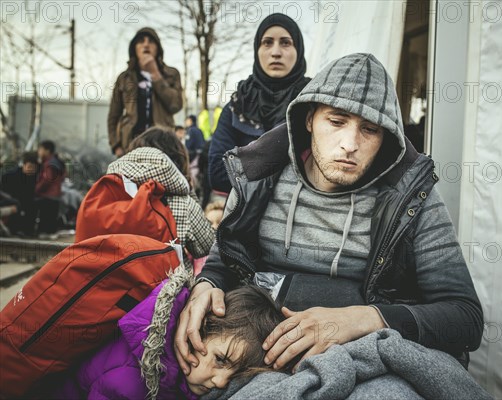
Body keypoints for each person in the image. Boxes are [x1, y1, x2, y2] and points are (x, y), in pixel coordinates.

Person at [175, 53, 484, 376]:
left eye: (370, 129)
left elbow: (465, 318)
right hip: (261, 357)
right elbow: (222, 264)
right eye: (336, 122)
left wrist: (362, 318)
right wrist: (205, 286)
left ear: (387, 138)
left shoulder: (411, 199)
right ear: (309, 119)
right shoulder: (257, 178)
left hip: (367, 359)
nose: (350, 143)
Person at [51, 265, 285, 399]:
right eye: (221, 359)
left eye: (237, 374)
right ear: (196, 328)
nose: (222, 382)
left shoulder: (167, 371)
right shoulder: (132, 382)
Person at [208, 13, 311, 194]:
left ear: (299, 49)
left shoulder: (313, 102)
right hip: (245, 219)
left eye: (285, 42)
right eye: (267, 42)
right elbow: (217, 173)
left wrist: (243, 166)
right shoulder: (238, 105)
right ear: (257, 49)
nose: (276, 52)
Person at [106, 127, 214, 263]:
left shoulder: (108, 189)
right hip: (164, 282)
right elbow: (207, 246)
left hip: (106, 278)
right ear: (177, 161)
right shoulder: (182, 203)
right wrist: (188, 191)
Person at [107, 27, 183, 157]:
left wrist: (155, 74)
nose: (146, 44)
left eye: (151, 41)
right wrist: (116, 145)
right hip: (131, 143)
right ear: (134, 48)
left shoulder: (171, 74)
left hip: (162, 144)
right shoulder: (125, 78)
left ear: (158, 48)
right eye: (141, 41)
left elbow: (175, 105)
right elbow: (114, 115)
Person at [1, 151, 39, 236]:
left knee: (32, 206)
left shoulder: (33, 177)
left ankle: (28, 231)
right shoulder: (12, 175)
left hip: (25, 199)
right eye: (29, 167)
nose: (31, 169)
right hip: (10, 198)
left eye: (33, 168)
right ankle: (16, 230)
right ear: (24, 165)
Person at [35, 141, 65, 239]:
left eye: (40, 149)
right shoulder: (57, 161)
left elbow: (47, 180)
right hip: (55, 196)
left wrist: (36, 189)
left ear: (47, 151)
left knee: (45, 229)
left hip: (48, 197)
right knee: (49, 226)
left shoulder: (50, 163)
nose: (39, 152)